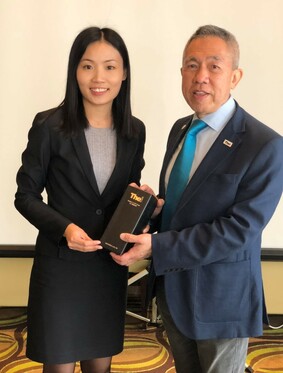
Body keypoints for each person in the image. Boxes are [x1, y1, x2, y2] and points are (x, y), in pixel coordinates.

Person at [110, 25, 283, 373]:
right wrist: (159, 207)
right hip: (173, 293)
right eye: (191, 65)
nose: (200, 76)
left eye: (213, 66)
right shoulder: (180, 128)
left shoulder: (264, 144)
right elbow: (186, 205)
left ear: (235, 76)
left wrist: (157, 247)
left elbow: (238, 231)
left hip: (222, 301)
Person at [15, 27, 145, 373]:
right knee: (58, 367)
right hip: (61, 268)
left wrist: (142, 204)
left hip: (107, 268)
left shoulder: (134, 131)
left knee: (98, 368)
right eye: (88, 66)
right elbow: (25, 196)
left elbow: (126, 196)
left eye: (110, 67)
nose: (99, 77)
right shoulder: (50, 126)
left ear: (124, 73)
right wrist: (66, 229)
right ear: (75, 71)